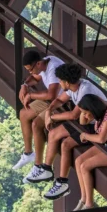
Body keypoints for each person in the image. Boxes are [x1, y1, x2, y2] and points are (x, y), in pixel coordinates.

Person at [23, 64, 107, 201]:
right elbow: (59, 100)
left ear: (67, 82)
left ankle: (62, 182)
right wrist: (50, 110)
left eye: (60, 80)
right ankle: (46, 169)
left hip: (95, 125)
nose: (59, 83)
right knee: (53, 134)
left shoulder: (85, 91)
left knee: (66, 145)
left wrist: (51, 117)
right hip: (84, 121)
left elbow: (73, 115)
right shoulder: (74, 86)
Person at [12, 50, 65, 181]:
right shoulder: (44, 63)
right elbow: (35, 78)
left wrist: (30, 95)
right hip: (51, 101)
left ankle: (38, 165)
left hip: (61, 103)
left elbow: (51, 95)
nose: (30, 72)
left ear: (38, 63)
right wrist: (24, 85)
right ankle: (28, 153)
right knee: (23, 114)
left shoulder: (53, 69)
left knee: (36, 124)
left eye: (31, 69)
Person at [72, 94, 107, 211]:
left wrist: (86, 135)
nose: (85, 116)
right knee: (78, 161)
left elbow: (101, 139)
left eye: (86, 112)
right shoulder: (100, 113)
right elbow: (83, 122)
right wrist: (82, 110)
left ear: (93, 109)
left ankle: (89, 204)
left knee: (85, 166)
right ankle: (83, 198)